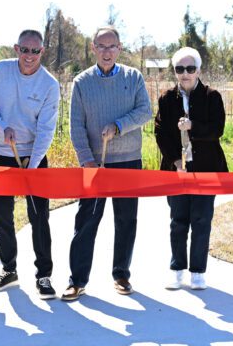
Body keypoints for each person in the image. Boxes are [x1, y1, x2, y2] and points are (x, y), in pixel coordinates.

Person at [62, 26, 151, 301]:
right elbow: (76, 125)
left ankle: (121, 274)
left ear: (120, 48)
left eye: (112, 46)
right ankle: (77, 280)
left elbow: (145, 112)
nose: (107, 52)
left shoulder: (133, 77)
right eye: (102, 46)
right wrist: (86, 159)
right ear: (93, 48)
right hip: (95, 164)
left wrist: (119, 125)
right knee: (86, 221)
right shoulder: (81, 82)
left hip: (128, 161)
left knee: (126, 221)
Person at [0, 29, 60, 300]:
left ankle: (44, 275)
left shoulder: (49, 84)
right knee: (2, 216)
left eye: (35, 51)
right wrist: (2, 126)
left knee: (40, 217)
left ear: (42, 52)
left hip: (33, 157)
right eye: (24, 50)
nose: (29, 56)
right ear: (16, 49)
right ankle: (8, 269)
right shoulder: (0, 71)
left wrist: (33, 165)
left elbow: (46, 130)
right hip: (0, 154)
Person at [154, 47, 227, 291]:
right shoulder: (167, 98)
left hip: (206, 169)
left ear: (198, 70)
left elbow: (217, 130)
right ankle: (177, 269)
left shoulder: (212, 96)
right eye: (179, 69)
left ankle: (197, 272)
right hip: (176, 171)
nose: (185, 74)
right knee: (178, 220)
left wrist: (192, 125)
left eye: (190, 69)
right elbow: (161, 132)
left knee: (202, 219)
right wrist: (175, 161)